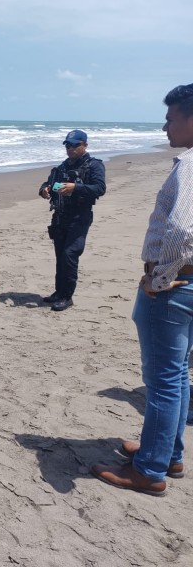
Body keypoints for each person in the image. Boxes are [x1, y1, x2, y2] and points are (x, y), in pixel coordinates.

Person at [91, 83, 193, 496]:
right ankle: (168, 454)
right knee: (180, 375)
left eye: (171, 118)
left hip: (174, 288)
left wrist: (159, 277)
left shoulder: (189, 166)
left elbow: (182, 229)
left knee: (165, 380)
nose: (165, 126)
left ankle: (149, 470)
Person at [38, 130, 106, 311]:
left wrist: (76, 187)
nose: (70, 149)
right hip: (60, 216)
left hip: (79, 216)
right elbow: (48, 184)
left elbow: (99, 188)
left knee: (70, 254)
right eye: (68, 145)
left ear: (84, 145)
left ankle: (67, 296)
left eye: (75, 145)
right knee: (60, 255)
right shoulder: (62, 167)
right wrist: (44, 190)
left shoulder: (94, 165)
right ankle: (59, 292)